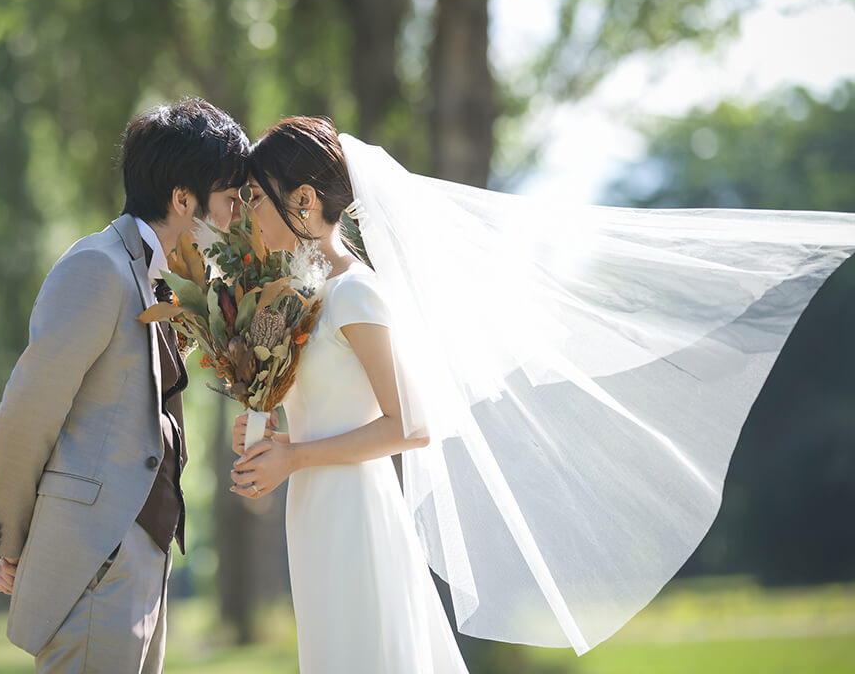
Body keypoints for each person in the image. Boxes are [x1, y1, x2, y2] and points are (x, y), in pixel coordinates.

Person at [230, 116, 855, 673]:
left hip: (354, 508)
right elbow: (329, 413)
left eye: (256, 197)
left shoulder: (356, 294)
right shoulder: (296, 296)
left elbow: (412, 425)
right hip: (311, 507)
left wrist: (297, 457)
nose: (248, 213)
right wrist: (276, 442)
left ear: (305, 200)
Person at [0, 97, 249, 674]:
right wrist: (10, 539)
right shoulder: (97, 268)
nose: (234, 218)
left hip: (142, 563)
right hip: (96, 559)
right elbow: (27, 413)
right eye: (228, 201)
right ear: (184, 199)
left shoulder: (156, 280)